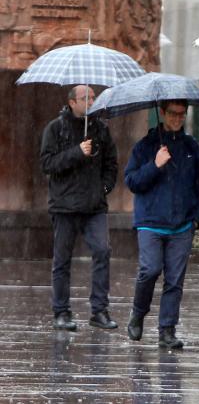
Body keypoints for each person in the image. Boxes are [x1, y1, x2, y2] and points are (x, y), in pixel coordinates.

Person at [124, 99, 199, 349]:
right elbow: (132, 181)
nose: (177, 119)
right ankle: (138, 312)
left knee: (175, 279)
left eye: (182, 114)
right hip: (150, 221)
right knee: (149, 269)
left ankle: (167, 329)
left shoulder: (191, 147)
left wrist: (197, 218)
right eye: (173, 114)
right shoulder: (145, 146)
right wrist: (155, 165)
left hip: (182, 224)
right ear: (162, 113)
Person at [40, 85, 119, 332]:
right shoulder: (55, 128)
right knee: (62, 260)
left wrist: (103, 189)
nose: (91, 101)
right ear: (72, 102)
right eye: (86, 98)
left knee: (102, 252)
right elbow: (47, 163)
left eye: (93, 97)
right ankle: (61, 312)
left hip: (94, 206)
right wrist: (77, 152)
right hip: (64, 206)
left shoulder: (101, 129)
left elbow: (111, 164)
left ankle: (99, 310)